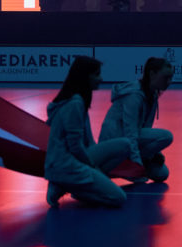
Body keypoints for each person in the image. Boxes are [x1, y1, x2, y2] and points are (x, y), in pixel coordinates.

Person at [44, 55, 129, 208]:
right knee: (118, 198)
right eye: (97, 74)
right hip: (65, 164)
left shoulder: (77, 100)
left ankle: (72, 184)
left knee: (125, 145)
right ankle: (67, 186)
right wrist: (91, 165)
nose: (101, 79)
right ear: (85, 76)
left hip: (67, 160)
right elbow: (75, 146)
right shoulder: (75, 103)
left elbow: (85, 141)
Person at [98, 56, 175, 182]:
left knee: (162, 174)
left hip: (126, 139)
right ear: (152, 74)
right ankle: (124, 165)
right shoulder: (134, 96)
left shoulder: (152, 94)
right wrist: (136, 166)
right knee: (166, 136)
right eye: (165, 78)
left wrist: (155, 154)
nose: (169, 82)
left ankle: (123, 166)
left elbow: (144, 129)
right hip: (116, 141)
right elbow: (130, 132)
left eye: (170, 78)